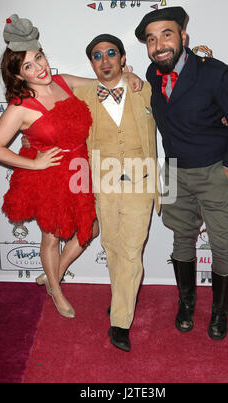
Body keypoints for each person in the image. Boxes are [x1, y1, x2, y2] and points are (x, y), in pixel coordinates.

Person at [135, 7, 228, 340]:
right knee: (181, 239)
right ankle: (186, 304)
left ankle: (219, 312)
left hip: (215, 171)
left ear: (183, 37)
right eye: (151, 39)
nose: (159, 44)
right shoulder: (151, 73)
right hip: (173, 171)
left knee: (222, 245)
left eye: (167, 34)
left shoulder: (216, 73)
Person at [0, 14, 101, 319]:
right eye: (28, 66)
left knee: (91, 226)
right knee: (51, 236)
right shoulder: (20, 107)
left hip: (80, 169)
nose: (40, 67)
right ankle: (57, 291)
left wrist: (127, 77)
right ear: (19, 76)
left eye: (39, 57)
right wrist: (34, 165)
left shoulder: (64, 82)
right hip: (49, 176)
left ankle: (53, 275)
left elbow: (104, 84)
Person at [73, 34, 160, 351]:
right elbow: (52, 84)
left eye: (112, 53)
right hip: (102, 183)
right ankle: (121, 295)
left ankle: (120, 323)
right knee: (111, 247)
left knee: (132, 251)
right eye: (97, 55)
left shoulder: (144, 89)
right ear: (92, 63)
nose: (105, 59)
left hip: (141, 180)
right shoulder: (83, 95)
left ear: (123, 58)